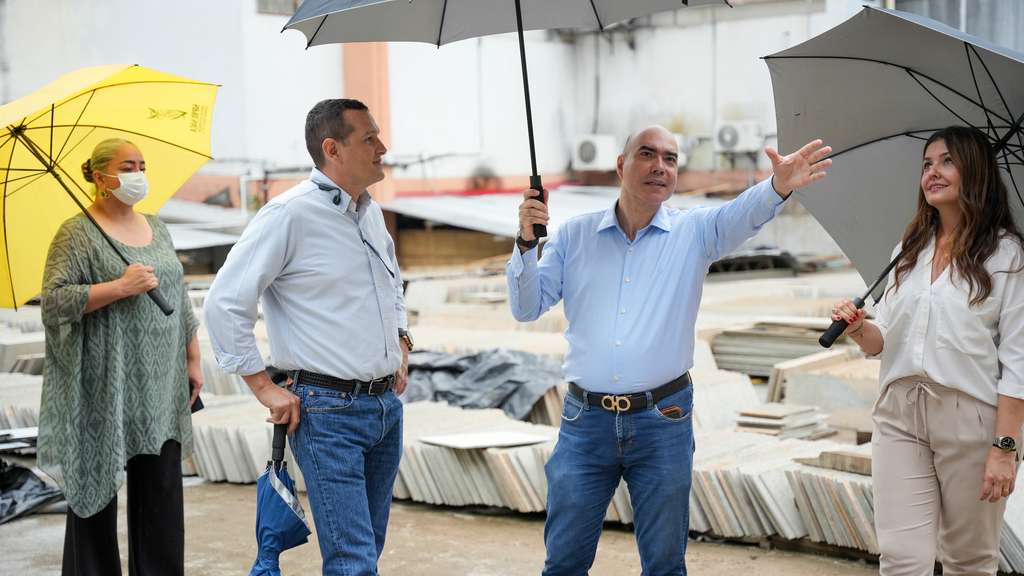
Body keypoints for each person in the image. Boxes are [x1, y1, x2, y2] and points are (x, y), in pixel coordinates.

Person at [509, 125, 831, 575]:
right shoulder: (574, 236)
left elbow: (741, 214)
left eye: (670, 158)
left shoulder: (694, 233)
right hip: (586, 424)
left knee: (664, 564)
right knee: (564, 562)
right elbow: (526, 307)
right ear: (621, 165)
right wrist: (526, 243)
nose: (660, 166)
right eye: (647, 154)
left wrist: (778, 185)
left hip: (662, 420)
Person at [203, 98, 410, 575]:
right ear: (332, 149)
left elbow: (393, 286)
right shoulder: (289, 215)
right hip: (328, 412)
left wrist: (402, 342)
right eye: (369, 138)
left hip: (384, 409)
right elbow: (225, 302)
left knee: (366, 550)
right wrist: (263, 387)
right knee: (353, 560)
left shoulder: (370, 214)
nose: (383, 147)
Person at [831, 125, 1024, 575]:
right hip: (899, 415)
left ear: (975, 171)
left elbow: (1018, 359)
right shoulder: (908, 249)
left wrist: (1005, 447)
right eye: (926, 164)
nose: (932, 172)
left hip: (970, 419)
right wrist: (858, 328)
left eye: (947, 161)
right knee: (901, 558)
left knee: (968, 560)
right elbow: (884, 339)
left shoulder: (1008, 255)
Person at [37, 138, 202, 576]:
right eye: (127, 166)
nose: (138, 174)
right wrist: (119, 287)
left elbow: (179, 296)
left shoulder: (157, 227)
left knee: (161, 496)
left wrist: (192, 357)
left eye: (142, 165)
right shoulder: (76, 233)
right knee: (94, 495)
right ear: (99, 176)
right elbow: (54, 302)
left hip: (160, 383)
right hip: (103, 383)